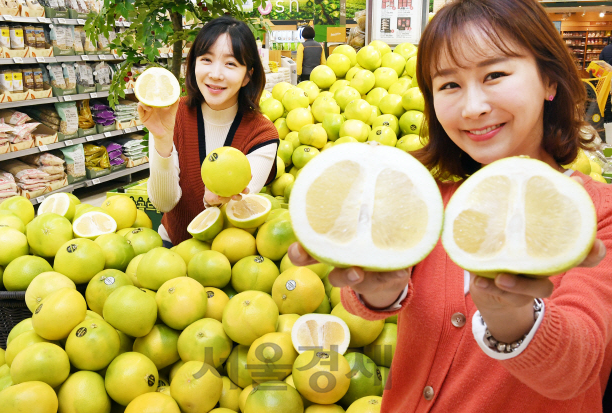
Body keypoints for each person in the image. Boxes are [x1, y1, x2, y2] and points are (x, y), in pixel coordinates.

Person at [289, 0, 612, 411]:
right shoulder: (430, 199)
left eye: (494, 74)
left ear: (549, 81)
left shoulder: (599, 214)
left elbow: (577, 369)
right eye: (449, 85)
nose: (472, 107)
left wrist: (512, 317)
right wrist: (379, 291)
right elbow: (372, 298)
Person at [141, 16, 279, 248]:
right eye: (206, 59)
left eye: (231, 64)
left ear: (248, 76)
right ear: (194, 64)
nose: (215, 74)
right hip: (171, 248)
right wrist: (162, 138)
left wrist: (213, 201)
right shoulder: (170, 115)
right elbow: (163, 204)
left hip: (228, 256)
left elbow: (236, 211)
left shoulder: (261, 134)